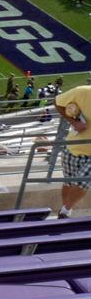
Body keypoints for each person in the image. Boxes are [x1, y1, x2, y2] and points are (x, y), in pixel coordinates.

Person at [55, 85, 91, 218]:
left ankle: (65, 210)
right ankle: (65, 211)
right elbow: (58, 102)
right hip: (72, 148)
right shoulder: (82, 91)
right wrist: (74, 123)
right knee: (69, 183)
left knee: (82, 182)